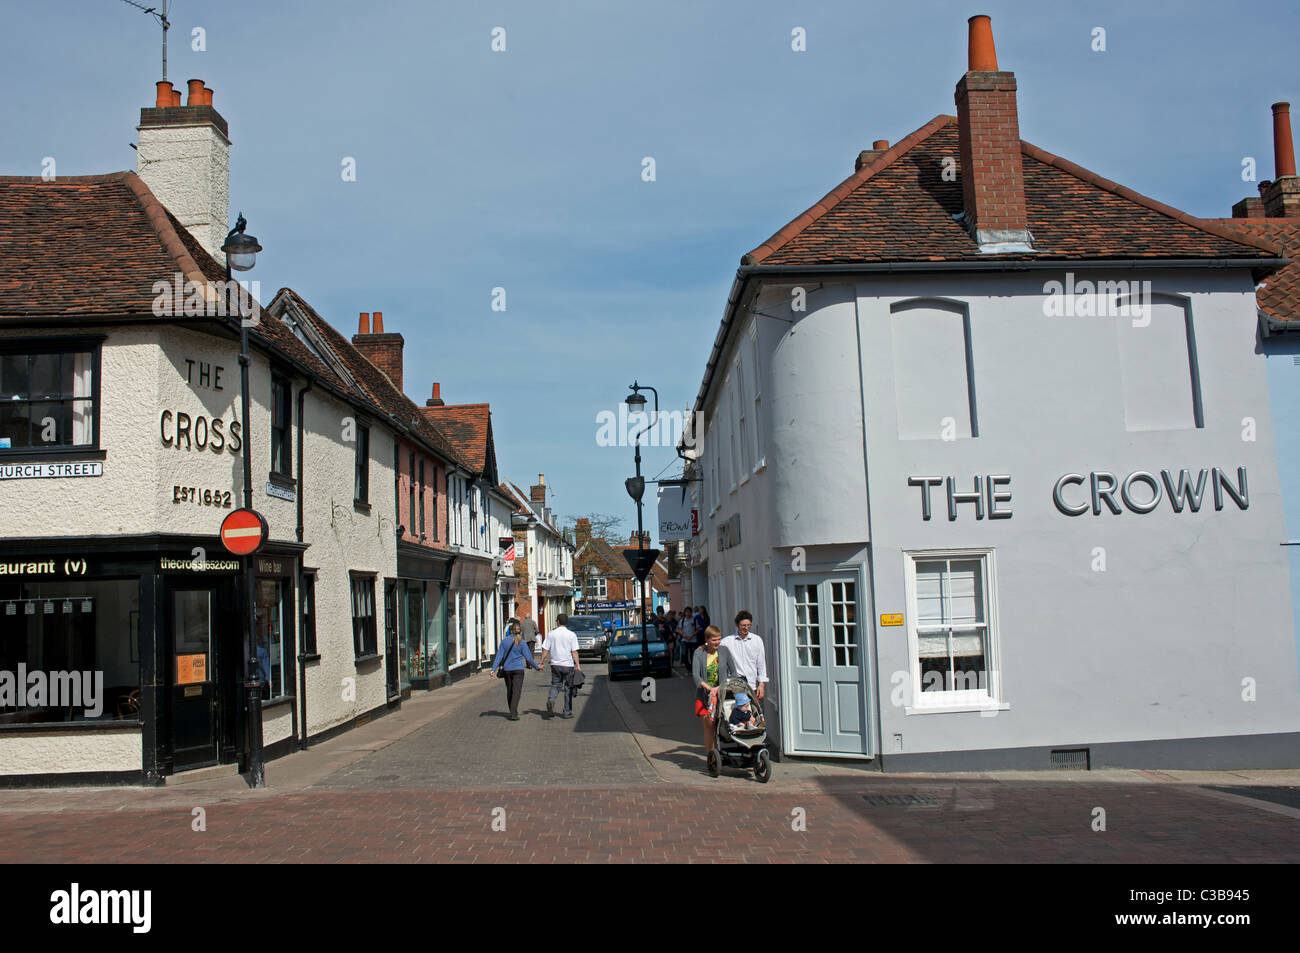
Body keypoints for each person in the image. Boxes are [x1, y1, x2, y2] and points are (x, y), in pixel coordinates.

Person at [691, 625, 730, 763]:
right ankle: (711, 757)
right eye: (714, 640)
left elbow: (733, 671)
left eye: (719, 639)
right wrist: (708, 687)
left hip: (722, 694)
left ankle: (720, 752)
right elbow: (696, 675)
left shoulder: (724, 651)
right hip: (705, 695)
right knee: (709, 725)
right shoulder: (699, 653)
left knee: (721, 725)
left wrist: (723, 686)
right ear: (707, 639)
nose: (717, 642)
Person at [491, 620, 541, 721]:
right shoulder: (522, 642)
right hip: (518, 669)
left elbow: (499, 655)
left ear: (510, 631)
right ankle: (513, 712)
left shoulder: (504, 641)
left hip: (507, 670)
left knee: (510, 690)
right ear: (520, 631)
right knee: (516, 691)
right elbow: (529, 658)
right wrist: (537, 667)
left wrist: (493, 669)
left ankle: (512, 711)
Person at [719, 610, 769, 702]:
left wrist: (761, 685)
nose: (746, 628)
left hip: (752, 685)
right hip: (734, 686)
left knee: (753, 713)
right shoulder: (727, 642)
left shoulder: (757, 640)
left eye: (749, 625)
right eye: (743, 626)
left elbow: (761, 664)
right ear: (737, 625)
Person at [539, 612, 581, 719]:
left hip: (555, 664)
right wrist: (578, 665)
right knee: (568, 688)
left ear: (558, 622)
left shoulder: (551, 634)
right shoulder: (572, 635)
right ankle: (567, 712)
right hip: (568, 665)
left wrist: (541, 662)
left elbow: (545, 650)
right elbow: (574, 652)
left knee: (556, 685)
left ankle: (551, 700)